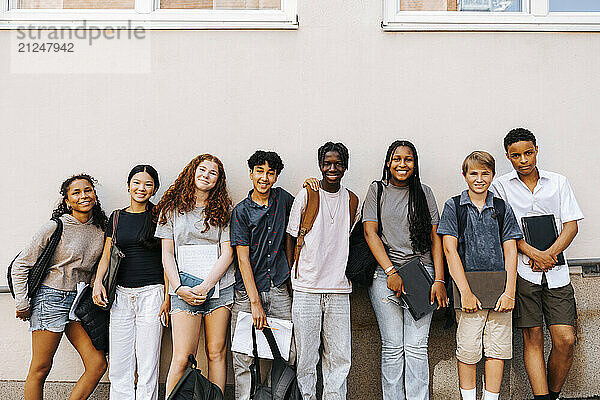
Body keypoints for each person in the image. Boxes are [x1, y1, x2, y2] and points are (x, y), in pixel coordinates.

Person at [490, 128, 583, 400]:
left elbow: (571, 225)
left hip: (557, 273)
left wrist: (549, 255)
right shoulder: (501, 187)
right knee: (532, 337)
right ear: (508, 156)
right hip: (522, 271)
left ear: (536, 150)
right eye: (516, 155)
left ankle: (553, 393)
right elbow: (503, 229)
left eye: (528, 153)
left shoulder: (558, 182)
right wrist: (533, 254)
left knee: (566, 339)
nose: (523, 160)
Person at [362, 140, 447, 400]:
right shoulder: (377, 190)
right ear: (388, 162)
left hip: (423, 276)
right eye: (397, 159)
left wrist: (439, 279)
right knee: (392, 347)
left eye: (407, 159)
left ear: (414, 163)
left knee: (417, 347)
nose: (402, 164)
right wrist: (390, 272)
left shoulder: (424, 192)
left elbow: (436, 238)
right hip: (385, 277)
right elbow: (370, 232)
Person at [11, 174, 108, 400]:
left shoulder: (101, 230)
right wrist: (22, 302)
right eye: (76, 192)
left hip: (79, 303)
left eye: (88, 190)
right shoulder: (56, 227)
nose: (83, 196)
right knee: (41, 368)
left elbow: (96, 270)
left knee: (97, 364)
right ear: (67, 201)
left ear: (94, 194)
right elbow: (21, 264)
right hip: (50, 299)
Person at [437, 151, 522, 400]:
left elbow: (511, 250)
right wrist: (464, 292)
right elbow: (449, 250)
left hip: (499, 290)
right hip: (468, 290)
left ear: (493, 175)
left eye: (485, 173)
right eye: (473, 173)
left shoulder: (501, 207)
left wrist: (510, 292)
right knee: (468, 349)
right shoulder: (454, 206)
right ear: (464, 176)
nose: (479, 178)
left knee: (497, 349)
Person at [155, 154, 235, 396]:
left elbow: (227, 252)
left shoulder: (224, 210)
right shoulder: (171, 209)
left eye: (213, 172)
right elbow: (167, 254)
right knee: (182, 356)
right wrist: (178, 288)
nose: (206, 175)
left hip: (219, 289)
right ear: (192, 171)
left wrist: (207, 286)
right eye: (202, 169)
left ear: (218, 180)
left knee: (216, 352)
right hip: (182, 289)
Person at [285, 142, 359, 400]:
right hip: (306, 287)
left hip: (339, 288)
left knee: (339, 355)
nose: (332, 168)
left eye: (338, 163)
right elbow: (291, 237)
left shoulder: (352, 200)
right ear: (319, 165)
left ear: (345, 166)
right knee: (306, 355)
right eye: (327, 163)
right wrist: (294, 273)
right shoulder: (306, 195)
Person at [92, 165, 169, 400]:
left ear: (154, 188)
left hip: (152, 294)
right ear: (128, 185)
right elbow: (107, 255)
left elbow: (168, 259)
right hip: (121, 296)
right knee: (119, 362)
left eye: (147, 184)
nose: (141, 188)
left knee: (148, 363)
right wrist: (98, 283)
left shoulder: (161, 216)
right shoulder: (116, 217)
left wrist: (167, 298)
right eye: (136, 182)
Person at [229, 150, 295, 400]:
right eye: (260, 171)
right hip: (247, 293)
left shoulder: (282, 200)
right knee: (243, 358)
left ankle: (270, 394)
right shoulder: (241, 211)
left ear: (276, 176)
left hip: (278, 287)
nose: (264, 177)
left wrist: (311, 186)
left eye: (270, 172)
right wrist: (255, 303)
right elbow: (242, 259)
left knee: (291, 352)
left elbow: (307, 206)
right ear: (251, 173)